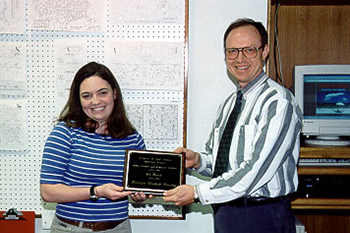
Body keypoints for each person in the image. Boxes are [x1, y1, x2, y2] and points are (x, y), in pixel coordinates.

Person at [163, 18, 302, 233]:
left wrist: (196, 192)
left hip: (263, 216)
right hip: (226, 213)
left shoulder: (278, 102)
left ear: (265, 51)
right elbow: (223, 164)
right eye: (232, 51)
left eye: (249, 50)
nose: (240, 59)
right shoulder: (228, 105)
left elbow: (254, 171)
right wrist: (198, 161)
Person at [40, 61, 147, 233]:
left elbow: (138, 187)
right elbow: (48, 191)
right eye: (87, 95)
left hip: (119, 228)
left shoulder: (133, 139)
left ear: (114, 94)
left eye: (102, 93)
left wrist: (140, 196)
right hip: (72, 228)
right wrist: (96, 191)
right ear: (79, 100)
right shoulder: (65, 133)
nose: (95, 101)